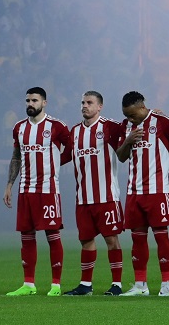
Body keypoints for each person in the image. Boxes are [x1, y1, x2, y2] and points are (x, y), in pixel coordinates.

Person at [2, 87, 71, 297]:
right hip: (25, 190)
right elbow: (16, 156)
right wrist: (9, 185)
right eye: (27, 101)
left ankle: (56, 285)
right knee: (26, 235)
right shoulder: (19, 128)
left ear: (44, 103)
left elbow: (70, 149)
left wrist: (57, 165)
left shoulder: (57, 126)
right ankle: (28, 284)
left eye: (34, 100)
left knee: (52, 234)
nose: (30, 104)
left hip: (48, 190)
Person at [117, 91, 169, 296]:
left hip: (157, 191)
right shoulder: (125, 127)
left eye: (132, 115)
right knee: (137, 238)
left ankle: (166, 284)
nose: (130, 119)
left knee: (161, 237)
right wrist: (128, 141)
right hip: (134, 191)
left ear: (142, 107)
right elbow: (120, 157)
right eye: (127, 116)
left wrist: (165, 150)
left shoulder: (162, 121)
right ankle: (140, 285)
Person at [63, 91, 126, 296]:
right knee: (86, 240)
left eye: (89, 103)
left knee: (111, 239)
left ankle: (117, 284)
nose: (84, 106)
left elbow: (132, 126)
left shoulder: (110, 127)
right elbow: (63, 157)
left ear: (100, 106)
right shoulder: (74, 132)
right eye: (82, 102)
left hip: (106, 197)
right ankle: (86, 285)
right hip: (83, 198)